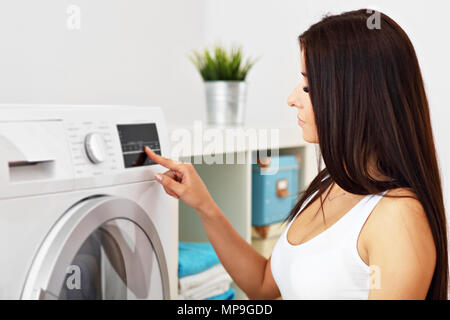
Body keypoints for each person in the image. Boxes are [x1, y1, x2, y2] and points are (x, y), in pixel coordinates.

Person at [145, 9, 448, 300]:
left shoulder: (399, 219)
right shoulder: (333, 183)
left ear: (354, 95)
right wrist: (204, 205)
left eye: (308, 86)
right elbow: (263, 284)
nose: (292, 98)